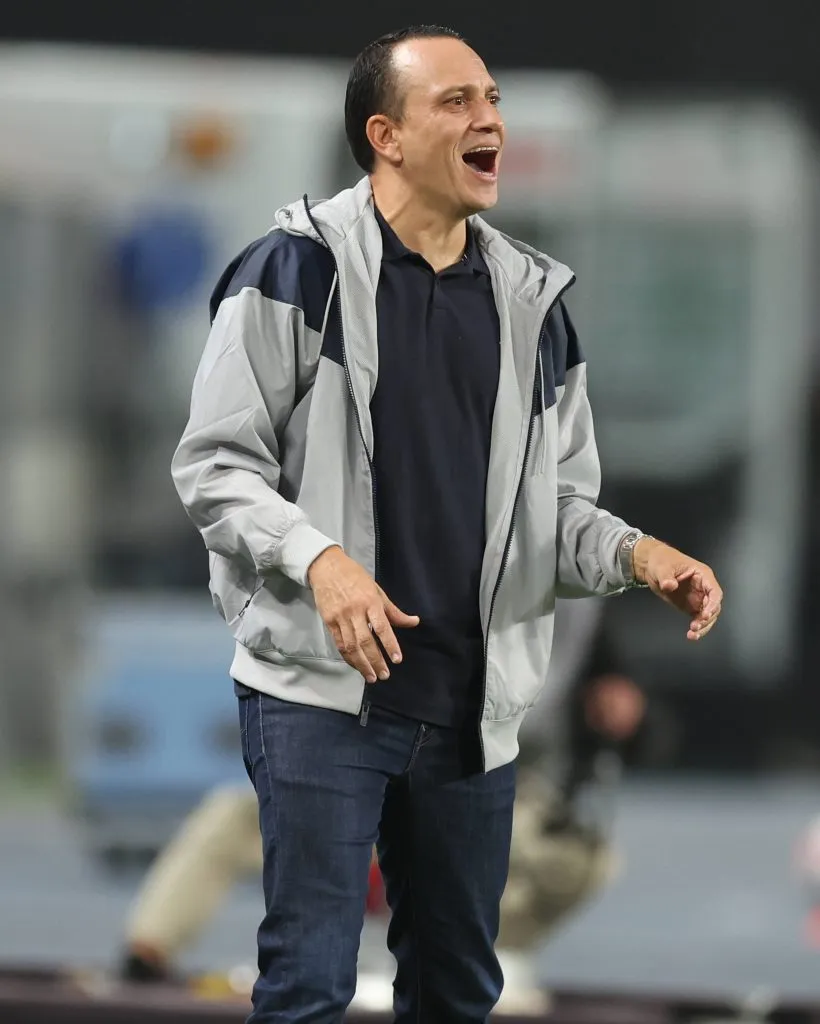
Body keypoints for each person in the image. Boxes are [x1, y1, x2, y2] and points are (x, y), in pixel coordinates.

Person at [171, 25, 723, 1023]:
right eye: (457, 102)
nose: (490, 121)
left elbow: (555, 508)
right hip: (319, 698)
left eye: (494, 101)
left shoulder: (533, 304)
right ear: (384, 134)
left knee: (459, 993)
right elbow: (214, 466)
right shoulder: (292, 273)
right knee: (308, 983)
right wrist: (323, 561)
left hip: (472, 709)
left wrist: (640, 555)